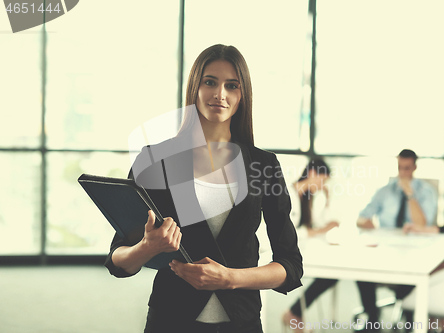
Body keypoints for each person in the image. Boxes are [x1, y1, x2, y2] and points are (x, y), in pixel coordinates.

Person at [104, 44, 303, 333]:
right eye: (210, 82)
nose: (219, 94)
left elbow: (290, 266)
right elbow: (117, 260)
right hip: (170, 319)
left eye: (231, 85)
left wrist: (230, 278)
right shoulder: (155, 160)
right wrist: (147, 247)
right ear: (194, 88)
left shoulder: (264, 164)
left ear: (242, 95)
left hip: (241, 321)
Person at [355, 149, 438, 327]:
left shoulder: (426, 192)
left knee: (415, 273)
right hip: (387, 247)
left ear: (415, 167)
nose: (403, 173)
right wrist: (366, 223)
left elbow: (423, 224)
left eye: (407, 168)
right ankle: (372, 320)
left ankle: (411, 320)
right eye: (400, 168)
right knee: (361, 268)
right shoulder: (385, 191)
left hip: (414, 249)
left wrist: (410, 195)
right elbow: (361, 217)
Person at [281, 159, 339, 331]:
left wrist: (328, 200)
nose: (322, 186)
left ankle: (295, 312)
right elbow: (285, 233)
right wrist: (319, 231)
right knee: (331, 272)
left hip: (303, 247)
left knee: (333, 271)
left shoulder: (307, 197)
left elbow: (318, 224)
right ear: (312, 173)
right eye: (322, 180)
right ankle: (294, 313)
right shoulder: (287, 194)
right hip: (284, 250)